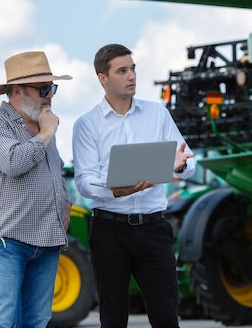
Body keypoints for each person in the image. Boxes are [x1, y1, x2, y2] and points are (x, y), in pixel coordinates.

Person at [72, 43, 195, 328]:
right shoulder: (87, 125)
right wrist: (115, 190)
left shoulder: (158, 114)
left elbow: (189, 162)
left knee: (166, 317)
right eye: (122, 70)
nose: (132, 76)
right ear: (103, 78)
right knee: (113, 319)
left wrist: (181, 165)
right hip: (109, 231)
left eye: (133, 68)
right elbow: (85, 181)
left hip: (154, 229)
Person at [0, 51, 73, 328]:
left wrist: (65, 202)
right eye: (43, 89)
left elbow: (56, 171)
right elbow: (13, 162)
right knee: (1, 324)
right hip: (9, 241)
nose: (50, 95)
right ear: (17, 91)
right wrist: (46, 134)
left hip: (48, 243)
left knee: (37, 323)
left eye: (52, 88)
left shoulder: (43, 127)